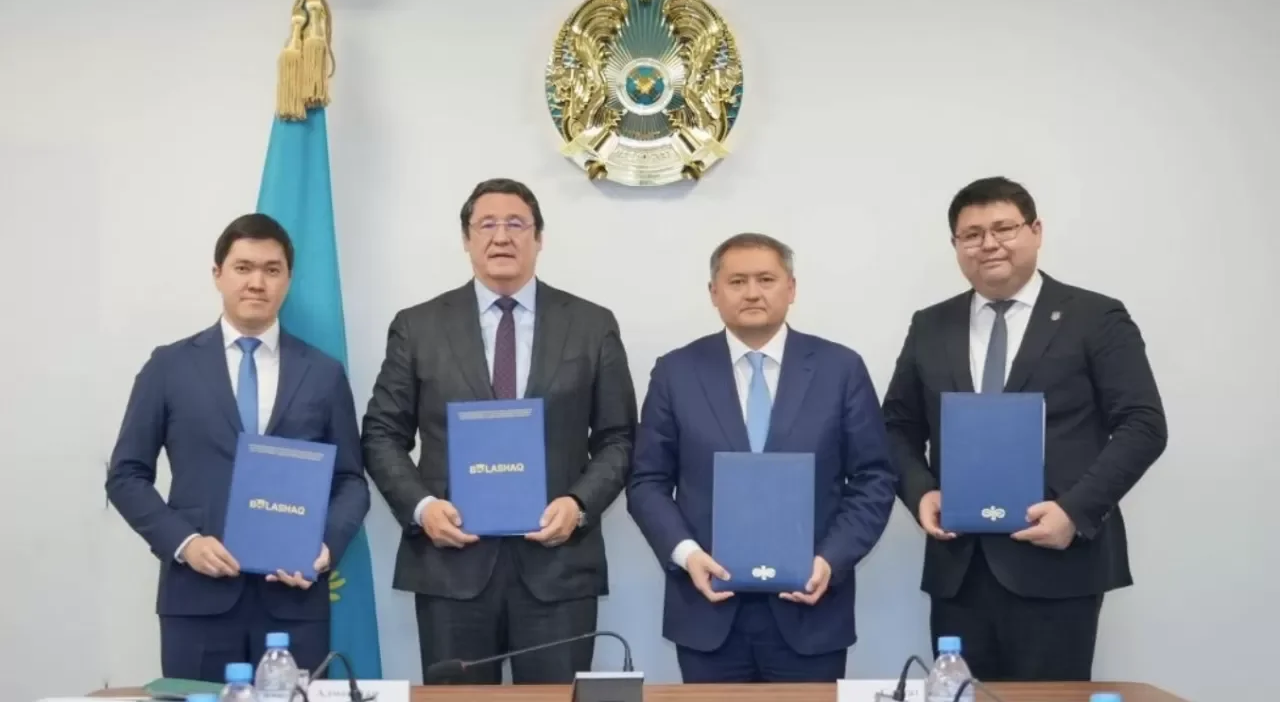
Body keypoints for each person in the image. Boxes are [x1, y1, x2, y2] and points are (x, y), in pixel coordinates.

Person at [882, 176, 1168, 682]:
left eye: (1004, 228)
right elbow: (896, 427)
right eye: (972, 234)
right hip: (960, 568)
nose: (988, 244)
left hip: (1058, 561)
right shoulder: (931, 324)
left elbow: (1143, 424)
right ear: (955, 245)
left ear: (1036, 231)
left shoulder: (1095, 316)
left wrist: (1074, 511)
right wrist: (921, 491)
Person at [361, 178, 638, 685]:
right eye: (486, 224)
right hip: (451, 566)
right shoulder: (418, 326)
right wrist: (423, 509)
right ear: (466, 239)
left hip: (558, 570)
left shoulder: (591, 324)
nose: (502, 236)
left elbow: (618, 437)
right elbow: (381, 434)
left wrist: (578, 505)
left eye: (516, 224)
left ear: (539, 238)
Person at [105, 213, 371, 682]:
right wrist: (185, 543)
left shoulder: (323, 373)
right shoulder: (168, 366)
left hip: (295, 600)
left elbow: (351, 481)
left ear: (288, 279)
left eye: (271, 270)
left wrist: (325, 547)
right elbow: (126, 475)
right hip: (197, 598)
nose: (256, 282)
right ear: (218, 274)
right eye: (243, 267)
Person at [626, 233, 897, 683]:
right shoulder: (675, 371)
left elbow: (874, 478)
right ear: (714, 292)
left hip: (811, 610)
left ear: (791, 288)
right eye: (737, 281)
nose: (752, 292)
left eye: (766, 279)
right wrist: (687, 555)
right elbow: (646, 482)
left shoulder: (840, 368)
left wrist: (830, 560)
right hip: (707, 610)